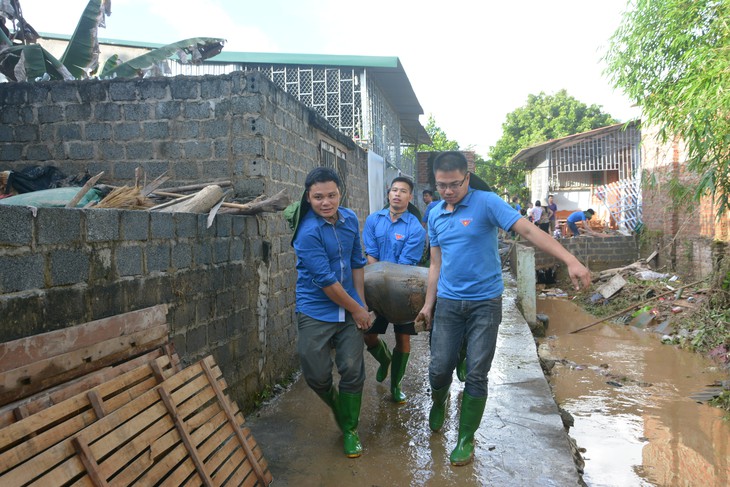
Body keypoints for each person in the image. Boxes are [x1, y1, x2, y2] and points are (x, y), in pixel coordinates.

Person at [416, 151, 592, 467]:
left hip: (485, 302)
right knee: (439, 367)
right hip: (448, 304)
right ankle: (439, 400)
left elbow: (528, 231)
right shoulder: (435, 214)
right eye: (442, 185)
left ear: (466, 178)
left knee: (478, 372)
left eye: (454, 184)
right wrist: (428, 305)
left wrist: (571, 259)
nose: (448, 191)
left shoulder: (487, 202)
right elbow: (435, 264)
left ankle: (466, 438)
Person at [289, 167, 371, 458]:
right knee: (316, 374)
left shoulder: (349, 219)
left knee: (352, 368)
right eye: (318, 197)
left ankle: (350, 429)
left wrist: (360, 304)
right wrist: (357, 309)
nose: (326, 202)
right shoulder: (306, 233)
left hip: (350, 309)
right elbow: (325, 281)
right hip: (316, 310)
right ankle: (337, 405)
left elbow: (357, 261)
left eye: (332, 195)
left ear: (340, 193)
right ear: (308, 198)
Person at [363, 176, 426, 403]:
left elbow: (405, 265)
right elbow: (371, 255)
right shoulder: (373, 221)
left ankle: (396, 384)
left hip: (403, 288)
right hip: (374, 286)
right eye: (394, 190)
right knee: (368, 334)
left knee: (403, 338)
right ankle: (384, 360)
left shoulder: (415, 229)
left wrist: (387, 281)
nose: (397, 194)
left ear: (410, 197)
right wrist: (376, 284)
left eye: (403, 191)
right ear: (389, 194)